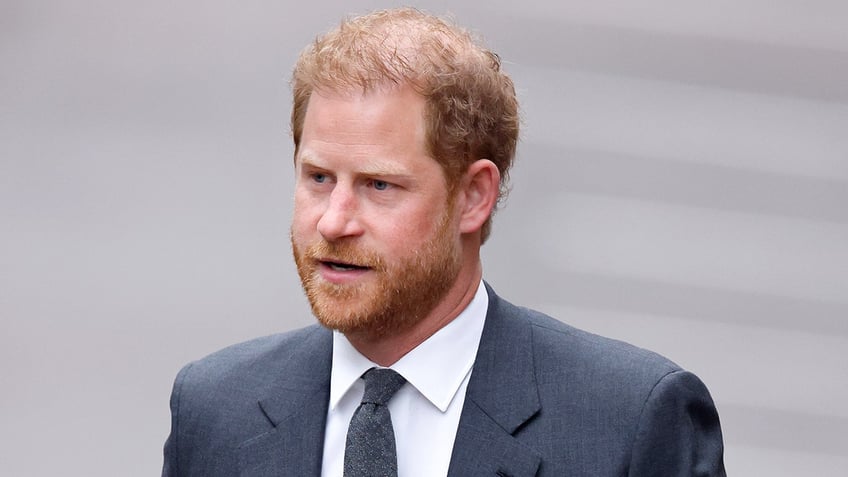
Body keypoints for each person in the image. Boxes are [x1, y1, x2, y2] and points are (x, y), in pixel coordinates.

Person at [162, 7, 725, 477]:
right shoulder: (215, 409)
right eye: (318, 178)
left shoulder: (628, 422)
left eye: (379, 185)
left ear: (474, 197)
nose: (333, 222)